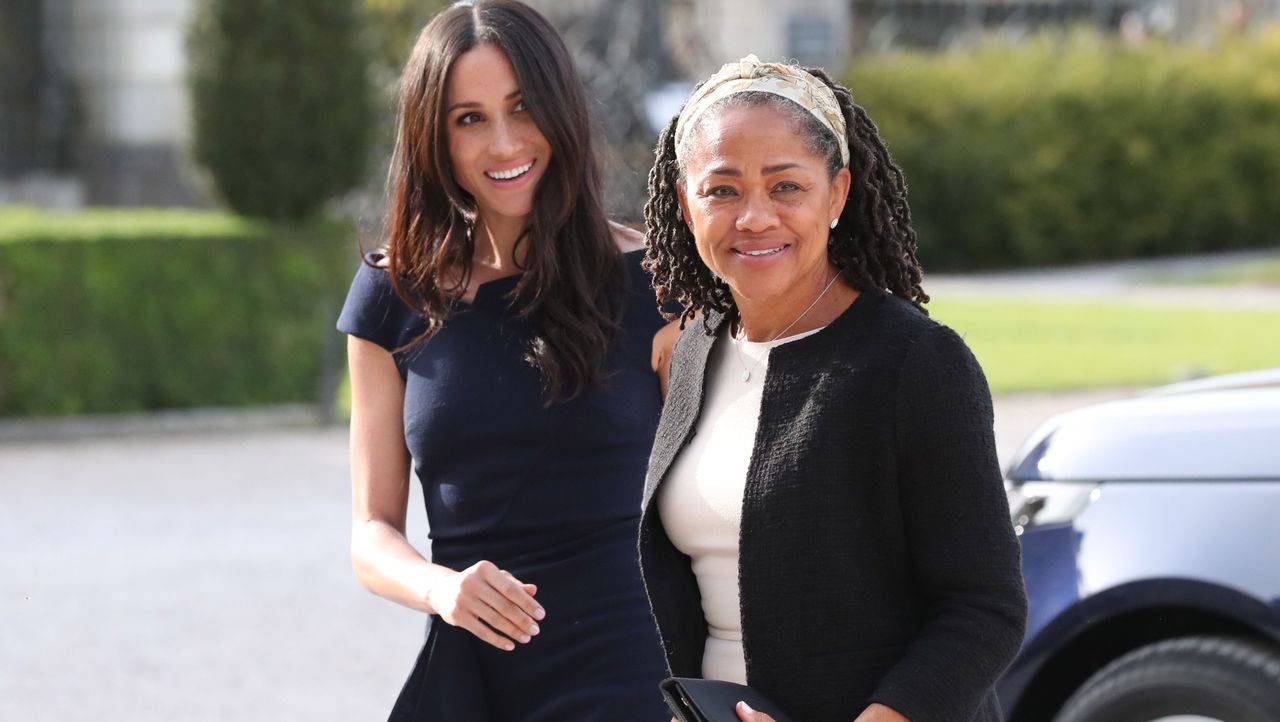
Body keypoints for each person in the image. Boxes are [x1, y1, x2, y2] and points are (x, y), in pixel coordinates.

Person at [639, 55, 1028, 722]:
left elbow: (984, 610)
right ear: (686, 202)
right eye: (722, 190)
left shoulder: (914, 362)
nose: (754, 217)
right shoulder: (693, 350)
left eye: (786, 187)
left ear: (838, 193)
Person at [336, 2, 675, 720]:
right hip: (471, 675)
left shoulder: (658, 283)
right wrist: (440, 588)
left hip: (633, 672)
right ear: (435, 137)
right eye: (469, 119)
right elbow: (372, 535)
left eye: (522, 109)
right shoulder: (390, 296)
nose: (503, 143)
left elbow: (716, 509)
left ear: (560, 110)